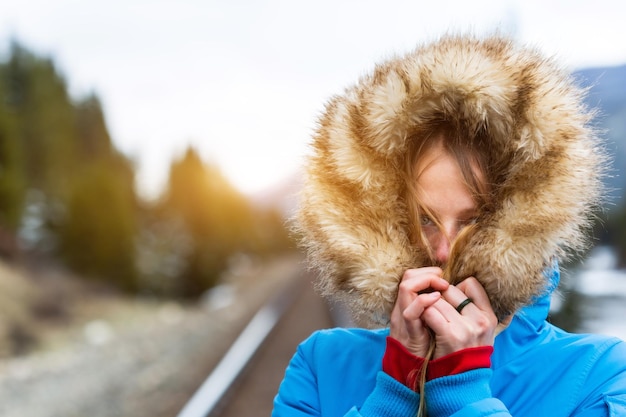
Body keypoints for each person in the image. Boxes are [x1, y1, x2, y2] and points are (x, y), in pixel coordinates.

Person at [272, 34, 626, 416]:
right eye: (424, 219)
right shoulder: (321, 365)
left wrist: (465, 393)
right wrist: (393, 392)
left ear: (526, 221)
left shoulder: (601, 375)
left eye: (472, 220)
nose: (442, 251)